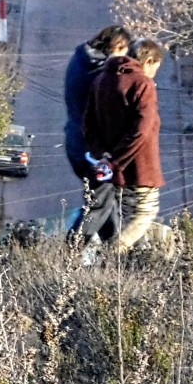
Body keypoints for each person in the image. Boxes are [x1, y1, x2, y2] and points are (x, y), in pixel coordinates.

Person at [84, 39, 165, 252]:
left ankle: (135, 269)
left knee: (129, 218)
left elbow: (88, 124)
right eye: (155, 66)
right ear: (148, 60)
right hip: (140, 168)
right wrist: (116, 160)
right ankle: (112, 255)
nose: (154, 72)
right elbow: (142, 129)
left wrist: (104, 155)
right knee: (145, 214)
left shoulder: (102, 80)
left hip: (114, 170)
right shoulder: (142, 84)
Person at [64, 25, 132, 245]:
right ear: (118, 46)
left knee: (104, 200)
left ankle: (116, 249)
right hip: (92, 149)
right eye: (124, 51)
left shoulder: (80, 59)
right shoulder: (100, 73)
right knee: (100, 202)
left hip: (75, 142)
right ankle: (72, 251)